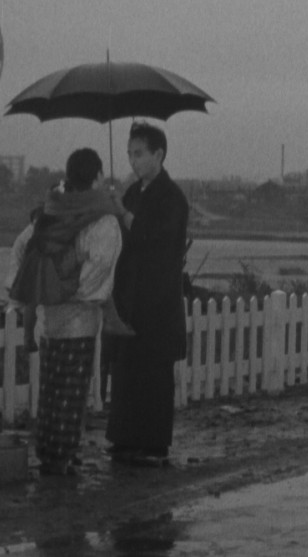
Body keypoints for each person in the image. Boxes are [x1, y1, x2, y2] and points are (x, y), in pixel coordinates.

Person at [4, 147, 122, 477]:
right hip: (80, 320)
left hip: (49, 320)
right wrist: (76, 290)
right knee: (72, 393)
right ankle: (63, 457)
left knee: (51, 390)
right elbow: (99, 268)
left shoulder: (50, 212)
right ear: (97, 177)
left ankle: (47, 451)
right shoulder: (102, 219)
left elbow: (22, 249)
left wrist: (47, 291)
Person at [106, 122, 189, 466]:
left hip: (158, 299)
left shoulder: (172, 198)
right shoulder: (132, 193)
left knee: (154, 372)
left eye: (139, 153)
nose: (134, 161)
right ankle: (124, 438)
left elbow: (156, 239)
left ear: (159, 154)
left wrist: (123, 213)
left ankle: (153, 442)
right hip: (129, 297)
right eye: (129, 154)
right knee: (126, 371)